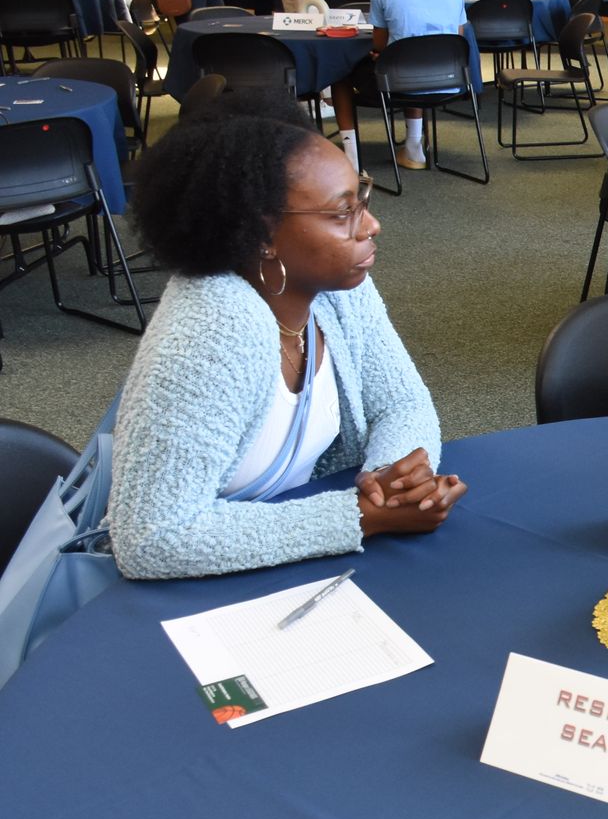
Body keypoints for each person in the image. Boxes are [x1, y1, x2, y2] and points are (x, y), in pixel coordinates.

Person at [109, 94, 466, 581]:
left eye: (362, 198)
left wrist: (393, 477)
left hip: (280, 559)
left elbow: (402, 402)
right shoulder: (212, 329)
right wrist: (359, 517)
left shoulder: (338, 287)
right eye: (343, 213)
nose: (372, 225)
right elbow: (152, 538)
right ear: (262, 233)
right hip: (179, 593)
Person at [328, 0, 469, 173]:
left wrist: (382, 53)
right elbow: (455, 38)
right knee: (413, 61)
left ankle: (350, 159)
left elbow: (380, 44)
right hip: (449, 81)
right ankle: (414, 145)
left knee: (340, 75)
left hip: (400, 81)